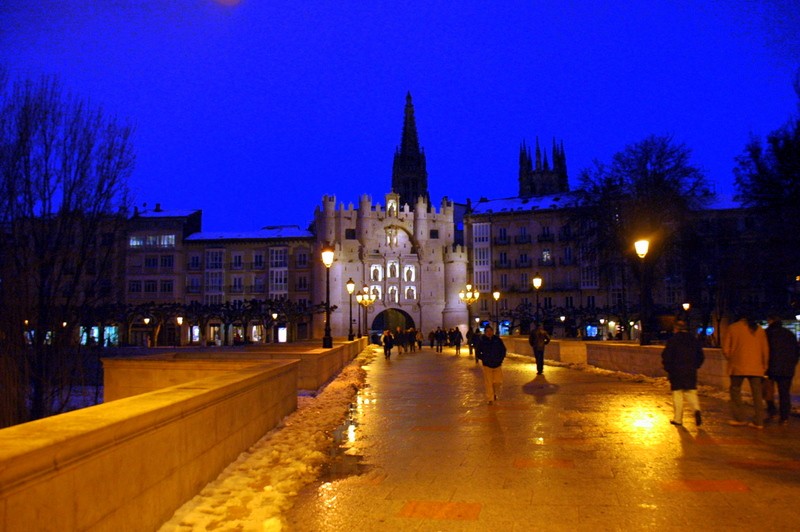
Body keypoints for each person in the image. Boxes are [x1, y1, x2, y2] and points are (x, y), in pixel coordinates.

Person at [722, 311, 769, 428]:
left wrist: (732, 358)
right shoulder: (759, 330)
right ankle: (759, 421)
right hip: (756, 367)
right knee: (757, 394)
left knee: (735, 390)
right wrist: (764, 364)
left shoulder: (733, 328)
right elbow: (765, 349)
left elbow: (726, 349)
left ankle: (740, 418)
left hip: (738, 366)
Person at [661, 320, 704, 426]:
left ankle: (678, 419)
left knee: (678, 394)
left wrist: (668, 368)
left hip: (676, 371)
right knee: (691, 392)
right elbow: (701, 356)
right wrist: (695, 366)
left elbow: (666, 356)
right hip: (690, 370)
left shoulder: (673, 340)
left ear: (676, 329)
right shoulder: (693, 340)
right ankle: (696, 409)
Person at [764, 314, 800, 424]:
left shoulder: (767, 333)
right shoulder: (789, 334)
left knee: (768, 392)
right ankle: (784, 417)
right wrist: (792, 364)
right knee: (784, 393)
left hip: (770, 368)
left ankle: (772, 411)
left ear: (771, 320)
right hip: (787, 369)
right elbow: (796, 351)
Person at [476, 325, 507, 405]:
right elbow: (478, 352)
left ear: (492, 332)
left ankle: (494, 393)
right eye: (487, 331)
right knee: (488, 382)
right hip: (487, 365)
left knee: (498, 381)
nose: (489, 333)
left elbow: (503, 350)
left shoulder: (497, 340)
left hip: (497, 364)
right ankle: (490, 398)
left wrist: (500, 359)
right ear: (485, 332)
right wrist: (484, 358)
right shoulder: (482, 341)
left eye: (490, 331)